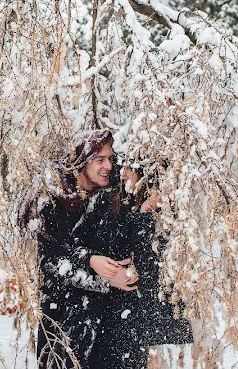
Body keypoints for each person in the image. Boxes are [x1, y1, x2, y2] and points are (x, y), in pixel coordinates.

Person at [21, 129, 137, 368]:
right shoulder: (53, 199)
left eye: (111, 159)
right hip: (62, 314)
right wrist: (96, 269)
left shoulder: (110, 197)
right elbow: (50, 261)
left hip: (107, 320)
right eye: (100, 159)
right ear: (82, 161)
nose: (108, 166)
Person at [68, 157, 192, 369]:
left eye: (131, 169)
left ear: (148, 174)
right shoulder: (107, 201)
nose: (123, 173)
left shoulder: (167, 213)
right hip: (104, 317)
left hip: (138, 327)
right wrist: (99, 269)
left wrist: (146, 216)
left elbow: (157, 271)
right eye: (123, 165)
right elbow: (73, 245)